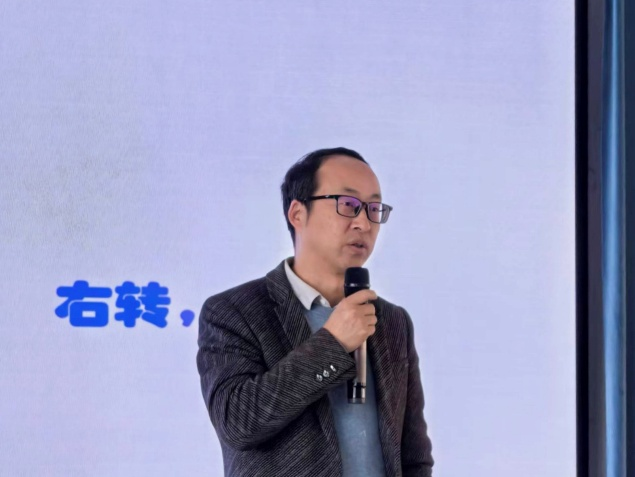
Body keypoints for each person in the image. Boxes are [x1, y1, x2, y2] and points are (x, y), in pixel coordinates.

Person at [197, 148, 433, 477]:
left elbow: (413, 455)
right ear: (298, 213)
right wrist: (333, 344)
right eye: (348, 204)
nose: (364, 223)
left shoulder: (392, 322)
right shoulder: (234, 312)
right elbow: (238, 422)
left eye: (374, 208)